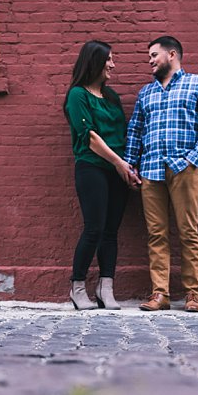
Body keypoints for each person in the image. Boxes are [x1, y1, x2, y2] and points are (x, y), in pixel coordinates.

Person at [124, 36, 198, 313]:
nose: (150, 61)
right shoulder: (146, 92)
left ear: (172, 54)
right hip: (151, 170)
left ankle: (192, 293)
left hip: (184, 170)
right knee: (156, 234)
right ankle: (160, 294)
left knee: (188, 232)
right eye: (149, 57)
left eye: (154, 55)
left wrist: (192, 160)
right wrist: (131, 165)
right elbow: (135, 130)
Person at [64, 40, 141, 310]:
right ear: (94, 62)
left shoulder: (112, 98)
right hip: (92, 168)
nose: (113, 64)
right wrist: (120, 164)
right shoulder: (77, 96)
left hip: (118, 170)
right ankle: (77, 287)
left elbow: (122, 133)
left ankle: (105, 288)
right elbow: (91, 139)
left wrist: (128, 167)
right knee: (94, 228)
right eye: (108, 59)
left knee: (111, 232)